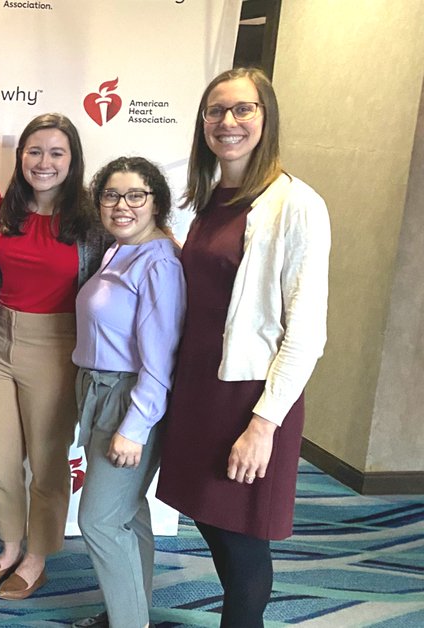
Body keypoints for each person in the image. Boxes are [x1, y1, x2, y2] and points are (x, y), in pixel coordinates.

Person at [155, 67, 330, 628]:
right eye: (215, 111)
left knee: (244, 536)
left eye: (242, 109)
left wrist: (264, 424)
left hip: (248, 396)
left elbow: (307, 331)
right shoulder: (212, 198)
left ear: (266, 118)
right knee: (212, 520)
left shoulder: (297, 205)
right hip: (199, 387)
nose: (227, 122)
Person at [0, 113, 105, 600]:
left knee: (47, 462)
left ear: (72, 160)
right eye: (34, 151)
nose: (43, 162)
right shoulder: (6, 210)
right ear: (21, 157)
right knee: (1, 458)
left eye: (56, 153)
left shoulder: (92, 220)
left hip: (57, 345)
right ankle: (8, 549)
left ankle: (36, 557)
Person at [71, 157, 187, 628]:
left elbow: (162, 359)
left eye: (136, 195)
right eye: (111, 195)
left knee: (98, 521)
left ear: (156, 202)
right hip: (102, 393)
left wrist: (134, 427)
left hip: (127, 399)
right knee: (127, 513)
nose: (122, 205)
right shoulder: (122, 249)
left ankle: (129, 622)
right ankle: (130, 613)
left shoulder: (159, 262)